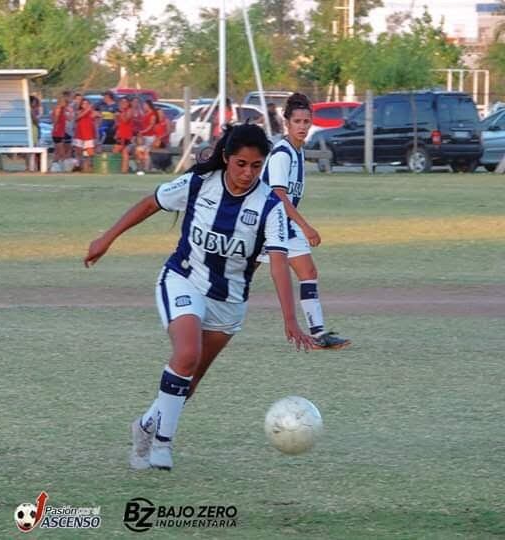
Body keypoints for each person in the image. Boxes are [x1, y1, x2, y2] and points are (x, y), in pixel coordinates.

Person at [84, 124, 313, 471]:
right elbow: (150, 203)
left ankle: (146, 424)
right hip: (183, 279)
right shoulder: (198, 183)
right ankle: (162, 443)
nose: (247, 173)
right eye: (240, 164)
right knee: (186, 353)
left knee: (187, 384)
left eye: (255, 166)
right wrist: (107, 238)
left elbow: (279, 264)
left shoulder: (269, 206)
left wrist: (290, 319)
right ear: (226, 158)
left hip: (229, 301)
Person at [260, 93, 351, 350]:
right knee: (237, 279)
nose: (302, 126)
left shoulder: (297, 152)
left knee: (308, 272)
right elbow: (278, 195)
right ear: (286, 122)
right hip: (264, 225)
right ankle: (203, 323)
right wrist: (305, 225)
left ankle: (319, 334)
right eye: (297, 121)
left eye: (306, 121)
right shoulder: (282, 154)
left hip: (283, 224)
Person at [73, 98, 96, 172]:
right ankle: (79, 166)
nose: (85, 105)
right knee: (78, 152)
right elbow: (78, 117)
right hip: (79, 134)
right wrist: (88, 109)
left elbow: (98, 117)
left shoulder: (92, 112)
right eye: (83, 104)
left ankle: (89, 167)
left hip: (89, 135)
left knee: (89, 153)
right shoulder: (79, 112)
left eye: (87, 103)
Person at [135, 100, 158, 173]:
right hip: (143, 136)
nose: (144, 107)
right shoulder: (145, 114)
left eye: (145, 105)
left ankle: (146, 168)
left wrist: (142, 131)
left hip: (150, 136)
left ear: (148, 105)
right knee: (139, 151)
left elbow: (151, 126)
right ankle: (141, 167)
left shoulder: (153, 114)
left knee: (146, 152)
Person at [113, 97, 134, 174]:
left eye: (125, 102)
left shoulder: (130, 111)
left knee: (125, 152)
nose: (123, 103)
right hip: (120, 135)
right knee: (115, 151)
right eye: (122, 102)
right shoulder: (121, 111)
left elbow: (125, 120)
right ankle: (118, 168)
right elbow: (117, 124)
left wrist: (120, 114)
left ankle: (124, 170)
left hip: (127, 136)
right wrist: (116, 117)